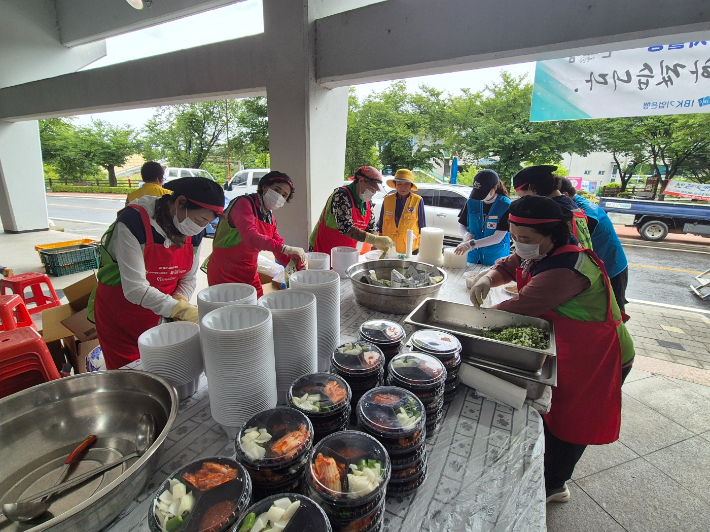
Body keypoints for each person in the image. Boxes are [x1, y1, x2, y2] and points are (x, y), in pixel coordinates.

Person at [469, 195, 634, 504]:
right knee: (553, 415)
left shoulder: (566, 269)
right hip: (571, 348)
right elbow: (512, 262)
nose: (519, 244)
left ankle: (553, 486)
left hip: (602, 355)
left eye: (526, 239)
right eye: (514, 237)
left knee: (572, 425)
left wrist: (464, 326)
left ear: (552, 234)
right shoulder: (543, 251)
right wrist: (486, 278)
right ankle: (543, 469)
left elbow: (516, 310)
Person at [89, 177, 225, 370]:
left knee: (164, 370)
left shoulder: (192, 229)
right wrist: (179, 310)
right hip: (123, 316)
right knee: (132, 378)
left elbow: (188, 277)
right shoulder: (132, 222)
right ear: (180, 203)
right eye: (199, 220)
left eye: (207, 223)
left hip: (162, 311)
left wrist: (180, 300)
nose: (200, 227)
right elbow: (135, 289)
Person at [207, 171, 307, 297]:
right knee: (233, 312)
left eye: (284, 195)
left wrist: (296, 263)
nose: (279, 196)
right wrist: (285, 248)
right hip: (225, 270)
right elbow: (250, 236)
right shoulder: (243, 203)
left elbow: (278, 249)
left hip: (249, 270)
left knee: (258, 307)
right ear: (264, 186)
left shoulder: (269, 217)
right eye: (277, 190)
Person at [559, 178, 629, 313]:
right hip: (600, 265)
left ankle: (618, 334)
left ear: (565, 195)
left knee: (614, 311)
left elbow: (571, 244)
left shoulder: (586, 214)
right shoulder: (576, 203)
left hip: (612, 267)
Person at [309, 166, 393, 256]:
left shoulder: (367, 202)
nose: (374, 193)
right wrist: (374, 239)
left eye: (376, 190)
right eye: (372, 189)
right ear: (361, 181)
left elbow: (371, 227)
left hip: (345, 250)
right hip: (323, 248)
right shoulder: (341, 195)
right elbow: (345, 227)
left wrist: (377, 240)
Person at [511, 165, 594, 250]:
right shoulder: (570, 204)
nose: (523, 200)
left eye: (521, 196)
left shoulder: (552, 212)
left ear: (532, 187)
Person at [454, 170, 511, 265]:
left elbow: (498, 237)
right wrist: (466, 235)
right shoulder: (471, 201)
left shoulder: (505, 205)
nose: (479, 197)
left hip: (495, 257)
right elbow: (462, 224)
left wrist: (471, 244)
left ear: (495, 187)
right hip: (472, 256)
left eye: (483, 193)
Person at [377, 169, 426, 254]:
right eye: (399, 184)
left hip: (410, 249)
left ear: (411, 186)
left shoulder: (418, 200)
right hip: (389, 248)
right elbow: (381, 223)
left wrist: (423, 246)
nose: (403, 187)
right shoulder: (387, 200)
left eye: (406, 184)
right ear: (395, 185)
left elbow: (423, 226)